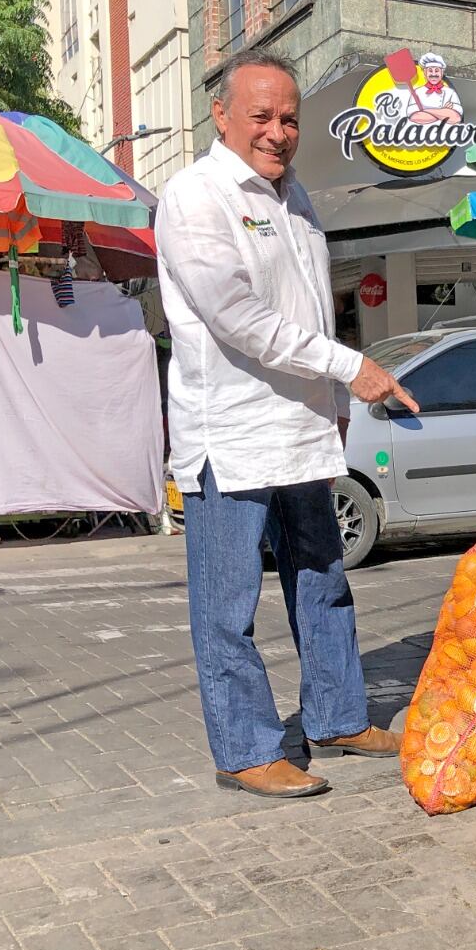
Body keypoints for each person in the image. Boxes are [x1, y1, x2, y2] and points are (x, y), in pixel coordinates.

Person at [155, 49, 420, 801]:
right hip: (232, 436)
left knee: (323, 579)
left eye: (290, 119)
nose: (277, 132)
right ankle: (244, 749)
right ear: (221, 116)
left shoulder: (295, 197)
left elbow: (310, 309)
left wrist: (334, 405)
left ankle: (335, 717)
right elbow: (237, 317)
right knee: (227, 605)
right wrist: (349, 367)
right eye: (261, 116)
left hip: (300, 431)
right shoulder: (195, 196)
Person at [402, 52, 462, 125]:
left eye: (436, 71)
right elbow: (413, 116)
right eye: (430, 71)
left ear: (441, 73)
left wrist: (424, 111)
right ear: (425, 73)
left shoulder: (450, 92)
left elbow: (456, 117)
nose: (433, 74)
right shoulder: (417, 92)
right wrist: (443, 112)